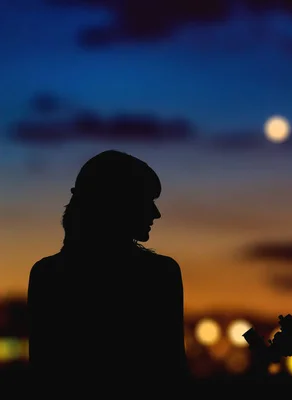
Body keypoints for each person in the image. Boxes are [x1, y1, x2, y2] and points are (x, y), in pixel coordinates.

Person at [27, 150, 190, 396]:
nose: (156, 213)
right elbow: (172, 373)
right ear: (118, 204)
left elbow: (44, 376)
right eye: (146, 200)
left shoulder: (46, 274)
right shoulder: (160, 275)